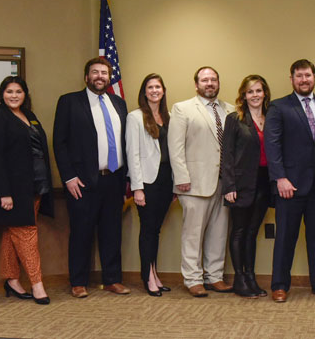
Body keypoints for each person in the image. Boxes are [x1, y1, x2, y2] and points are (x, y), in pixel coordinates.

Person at [265, 59, 315, 303]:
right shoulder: (279, 107)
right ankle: (279, 285)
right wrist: (280, 178)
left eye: (307, 75)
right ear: (292, 79)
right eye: (299, 76)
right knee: (285, 239)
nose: (303, 80)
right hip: (290, 185)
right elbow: (272, 145)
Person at [53, 57, 130, 298]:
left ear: (109, 77)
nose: (100, 77)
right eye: (95, 72)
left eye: (104, 73)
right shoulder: (69, 102)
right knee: (81, 233)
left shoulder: (118, 103)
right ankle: (78, 282)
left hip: (114, 179)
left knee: (112, 232)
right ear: (86, 77)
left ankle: (112, 279)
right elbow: (59, 142)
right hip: (82, 181)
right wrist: (68, 177)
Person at [0, 76, 54, 305]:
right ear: (2, 94)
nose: (14, 95)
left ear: (25, 94)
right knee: (26, 232)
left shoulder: (29, 116)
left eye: (18, 91)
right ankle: (37, 284)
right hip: (12, 190)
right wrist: (4, 193)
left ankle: (11, 279)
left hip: (35, 186)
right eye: (9, 91)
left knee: (13, 233)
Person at [167, 66, 235, 297]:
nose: (210, 83)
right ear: (196, 84)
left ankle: (214, 277)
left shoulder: (231, 110)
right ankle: (193, 279)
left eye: (213, 79)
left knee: (219, 233)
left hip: (224, 183)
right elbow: (175, 147)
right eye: (205, 80)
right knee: (193, 235)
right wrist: (181, 178)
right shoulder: (182, 109)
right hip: (194, 184)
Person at [221, 75, 272, 298]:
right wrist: (229, 185)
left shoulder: (272, 118)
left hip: (264, 182)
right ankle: (240, 279)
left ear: (264, 93)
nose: (255, 95)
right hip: (240, 184)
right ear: (244, 95)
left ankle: (251, 277)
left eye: (258, 91)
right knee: (239, 231)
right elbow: (227, 154)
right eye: (250, 92)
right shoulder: (235, 119)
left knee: (252, 232)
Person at [126, 74, 174, 297]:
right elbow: (132, 154)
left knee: (156, 230)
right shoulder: (135, 117)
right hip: (147, 181)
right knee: (147, 230)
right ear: (144, 92)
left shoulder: (169, 116)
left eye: (158, 87)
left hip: (166, 180)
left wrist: (175, 185)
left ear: (163, 91)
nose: (154, 90)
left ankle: (154, 273)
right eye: (150, 87)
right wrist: (137, 188)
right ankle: (148, 276)